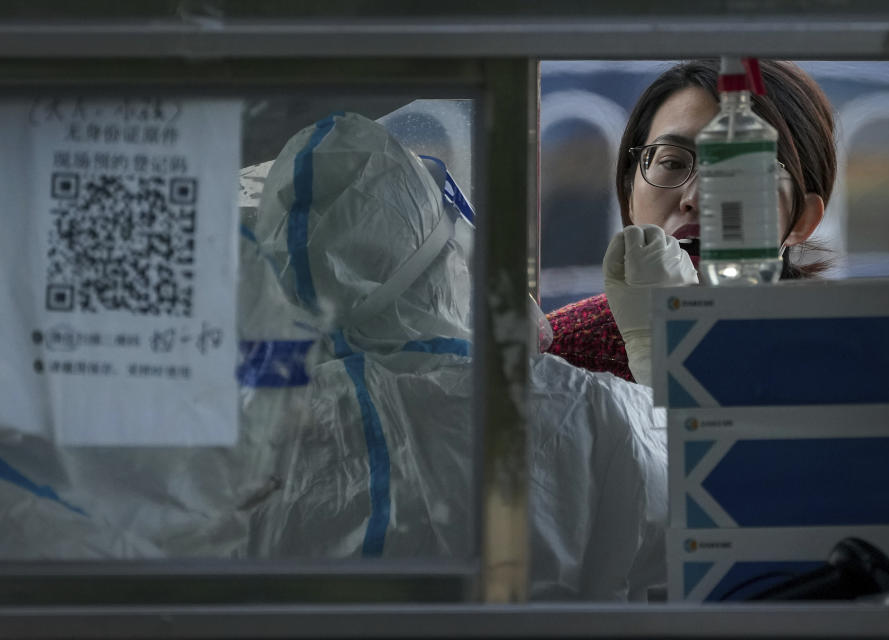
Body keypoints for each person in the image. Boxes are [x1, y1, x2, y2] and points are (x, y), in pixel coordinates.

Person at [1, 112, 669, 602]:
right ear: (440, 249)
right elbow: (704, 538)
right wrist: (661, 360)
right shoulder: (578, 409)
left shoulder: (226, 435)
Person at [546, 59, 837, 384]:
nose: (695, 198)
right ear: (630, 192)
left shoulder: (840, 355)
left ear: (803, 218)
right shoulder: (563, 355)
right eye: (671, 162)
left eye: (738, 169)